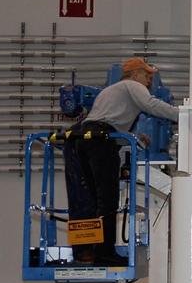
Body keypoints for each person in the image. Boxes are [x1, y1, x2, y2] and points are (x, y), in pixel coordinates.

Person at [71, 57, 179, 265]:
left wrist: (134, 138)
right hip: (101, 141)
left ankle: (87, 250)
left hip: (84, 138)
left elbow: (107, 120)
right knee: (107, 198)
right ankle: (104, 253)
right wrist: (184, 114)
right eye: (146, 75)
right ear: (135, 73)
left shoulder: (109, 91)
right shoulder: (131, 85)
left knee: (92, 198)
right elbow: (151, 105)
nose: (149, 80)